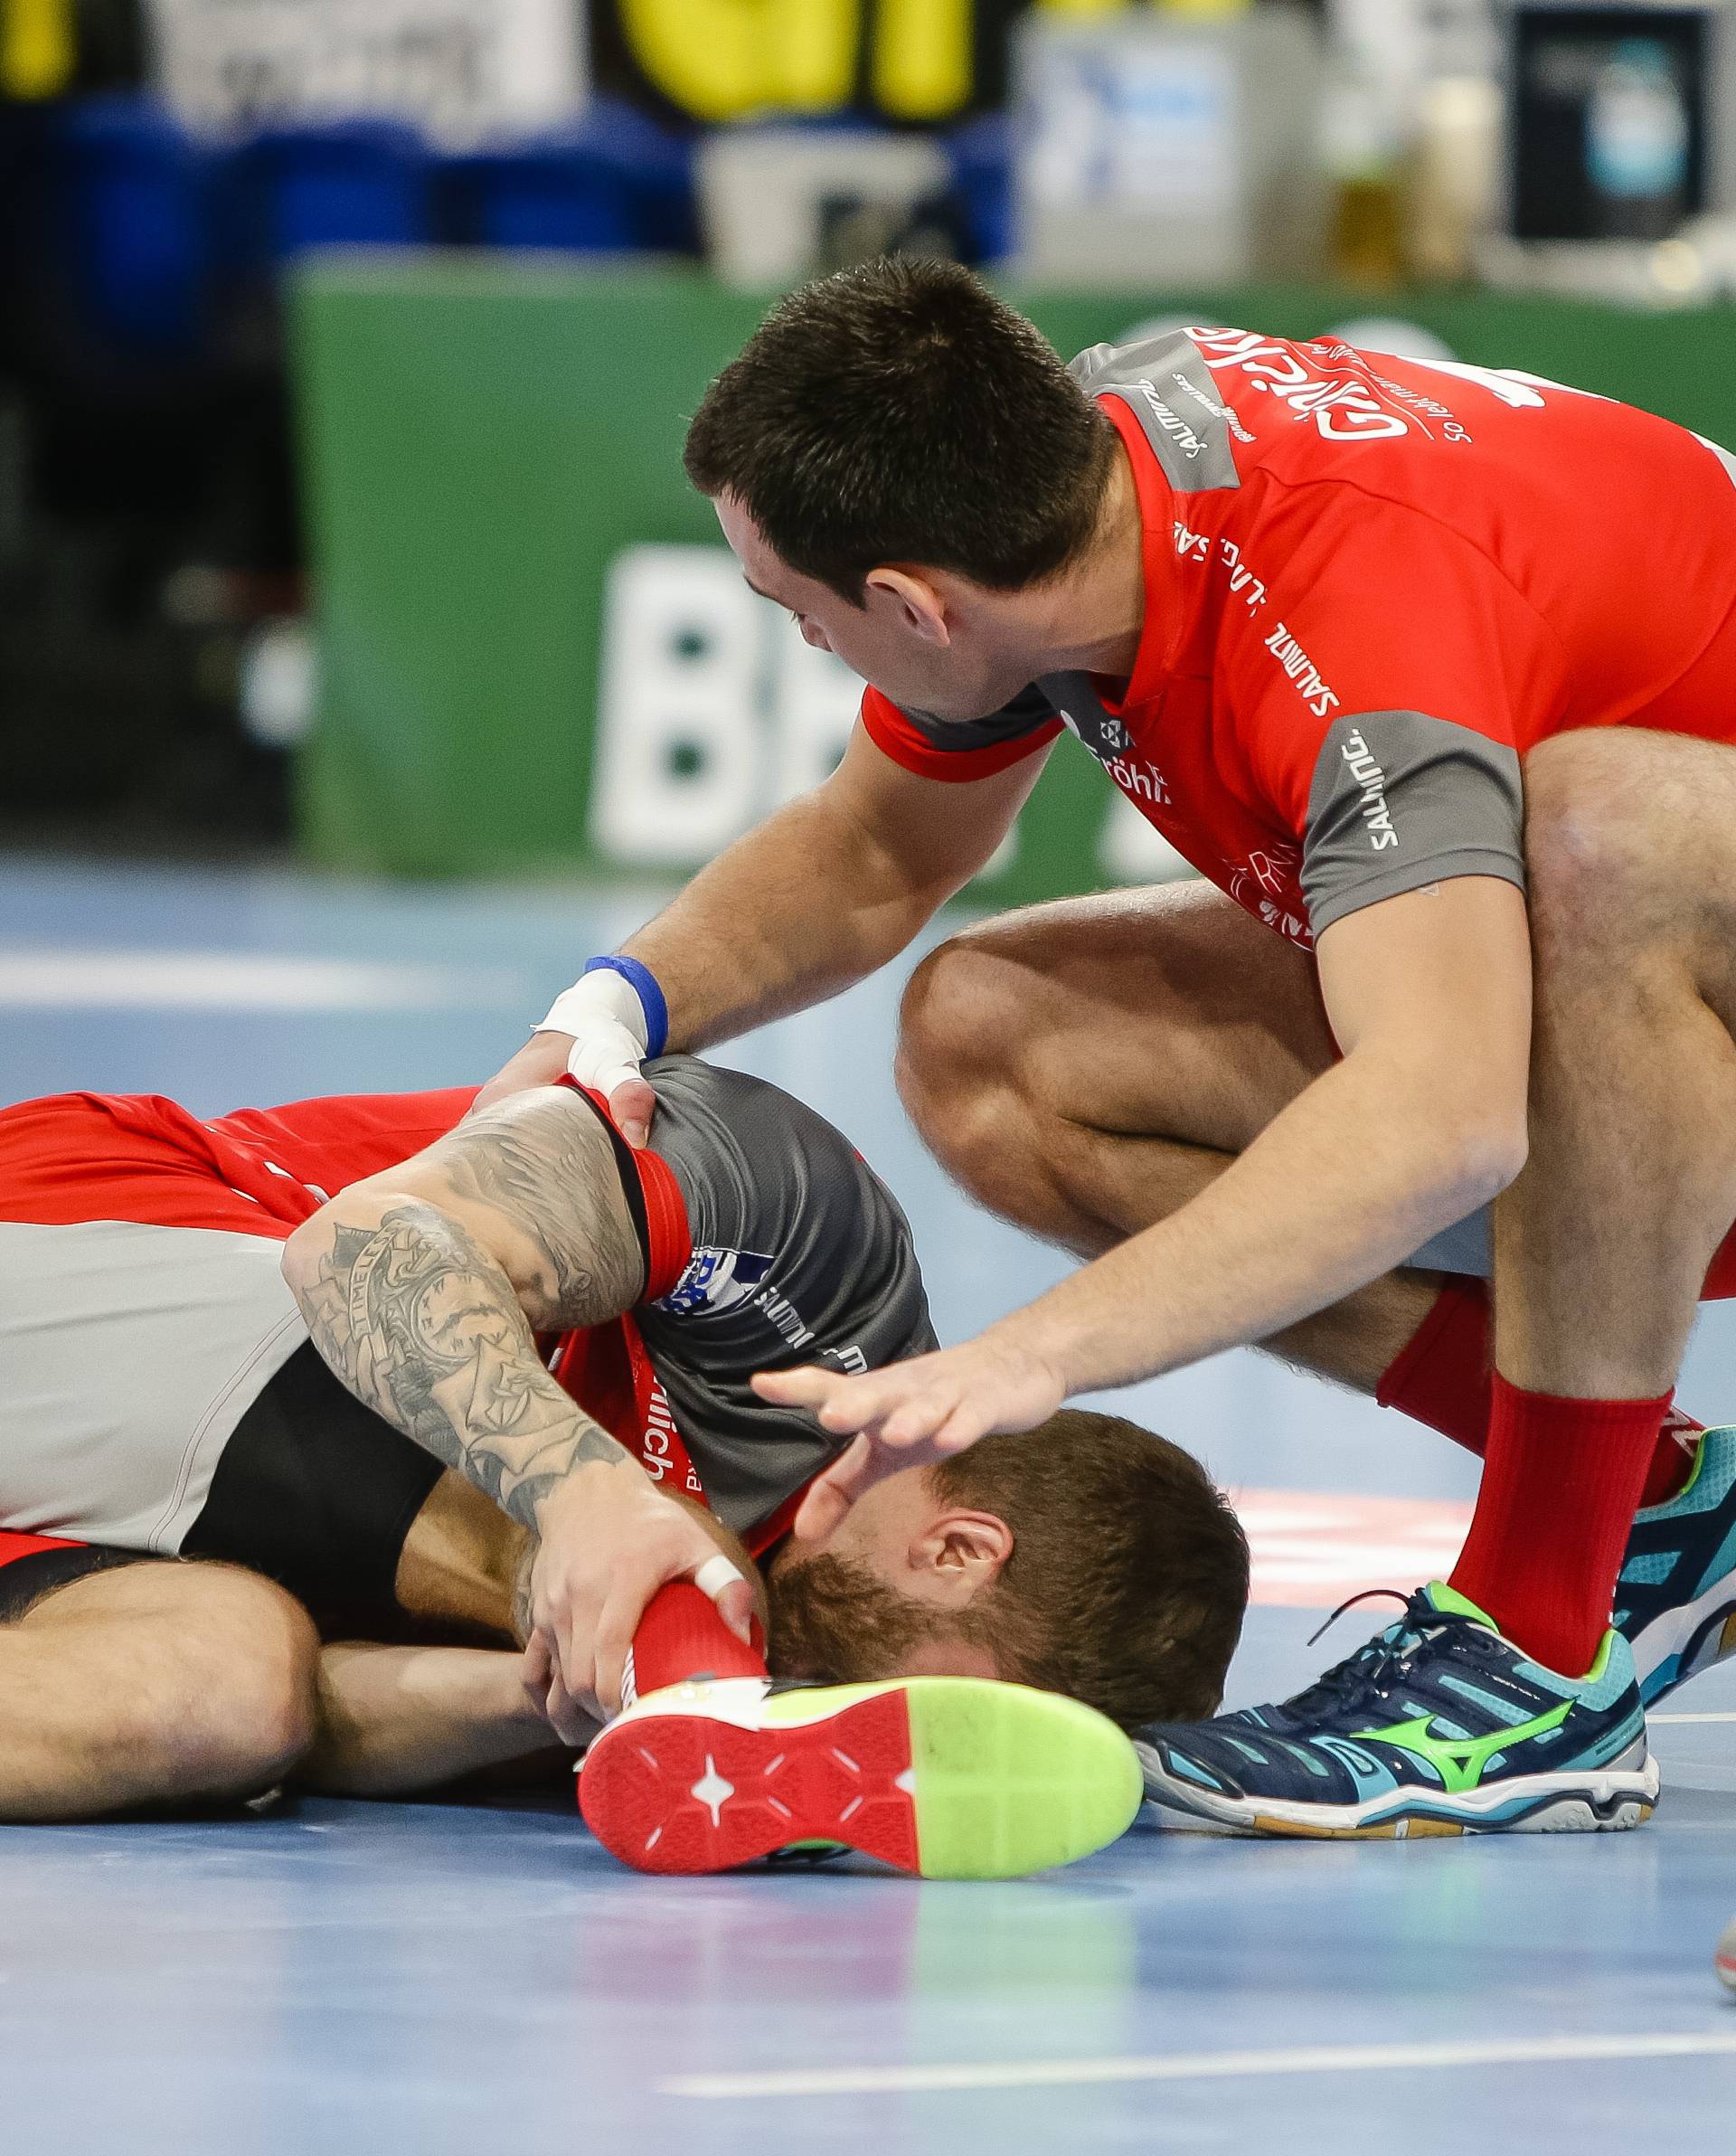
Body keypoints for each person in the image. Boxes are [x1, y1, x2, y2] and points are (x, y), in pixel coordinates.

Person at [482, 256, 1736, 1838]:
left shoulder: (1350, 640)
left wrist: (1034, 1351)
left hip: (1667, 929)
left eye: (796, 612)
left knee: (1600, 840)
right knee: (996, 1042)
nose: (805, 646)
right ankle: (1660, 1497)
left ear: (914, 607)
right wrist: (604, 1015)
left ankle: (1544, 1641)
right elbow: (876, 855)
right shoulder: (1087, 493)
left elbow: (1447, 1111)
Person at [0, 1054, 1245, 1874]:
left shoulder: (758, 1707)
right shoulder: (817, 1263)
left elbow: (320, 1723)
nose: (871, 1728)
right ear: (960, 1550)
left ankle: (647, 1663)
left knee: (225, 1696)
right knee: (652, 1553)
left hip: (95, 1537)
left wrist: (554, 1699)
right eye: (934, 1708)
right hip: (106, 1261)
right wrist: (578, 1491)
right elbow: (364, 1249)